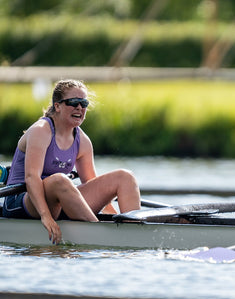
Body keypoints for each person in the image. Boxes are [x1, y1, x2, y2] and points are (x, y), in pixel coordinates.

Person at [1, 79, 141, 244]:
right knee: (60, 180)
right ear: (57, 106)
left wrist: (110, 217)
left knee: (125, 177)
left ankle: (135, 231)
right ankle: (101, 236)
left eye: (84, 103)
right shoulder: (40, 131)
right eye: (74, 102)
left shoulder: (83, 141)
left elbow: (92, 185)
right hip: (22, 202)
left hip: (60, 200)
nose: (80, 108)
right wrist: (46, 217)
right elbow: (32, 178)